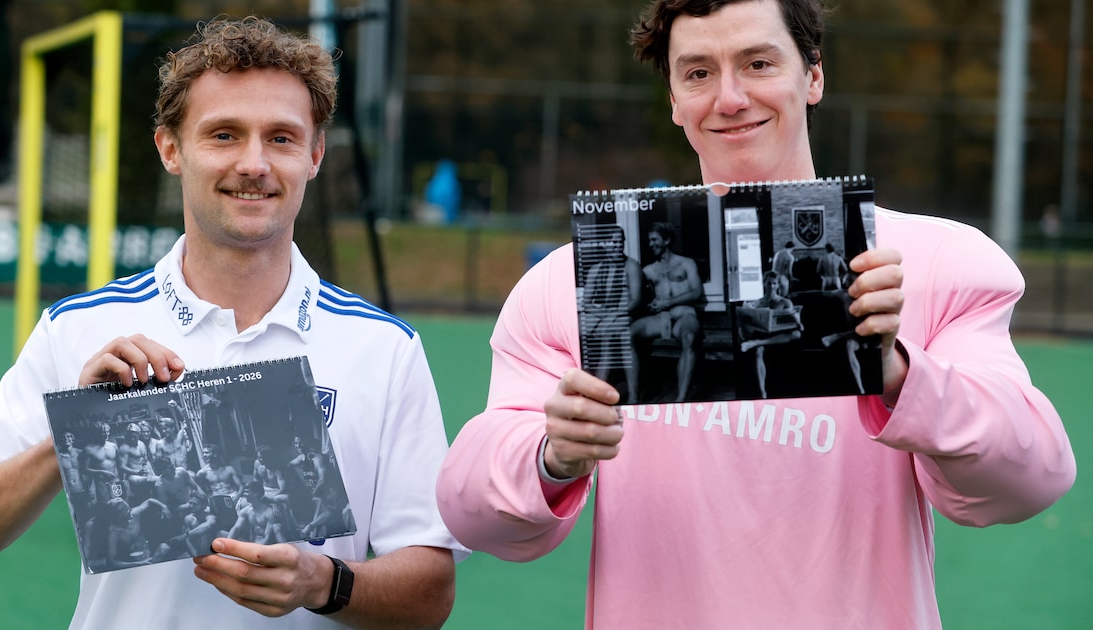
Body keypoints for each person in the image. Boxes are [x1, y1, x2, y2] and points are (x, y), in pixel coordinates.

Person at [435, 1, 1075, 628]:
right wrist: (549, 458)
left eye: (759, 62)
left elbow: (1031, 477)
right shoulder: (575, 282)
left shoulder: (937, 262)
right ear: (674, 101)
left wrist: (901, 372)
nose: (730, 97)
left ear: (813, 76)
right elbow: (469, 510)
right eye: (698, 73)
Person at [0, 16, 465, 628]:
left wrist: (324, 582)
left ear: (315, 155)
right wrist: (71, 435)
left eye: (281, 138)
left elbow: (430, 592)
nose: (254, 163)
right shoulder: (77, 327)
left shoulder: (384, 350)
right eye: (225, 135)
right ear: (170, 149)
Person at [630, 221, 704, 401]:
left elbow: (696, 292)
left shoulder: (687, 263)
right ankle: (633, 397)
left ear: (667, 240)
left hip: (685, 315)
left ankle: (680, 399)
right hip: (661, 319)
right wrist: (649, 305)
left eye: (654, 239)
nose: (650, 244)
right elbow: (637, 295)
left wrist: (668, 302)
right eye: (649, 240)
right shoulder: (648, 270)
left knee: (689, 339)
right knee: (626, 335)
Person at [579, 225, 643, 403]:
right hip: (605, 313)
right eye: (613, 242)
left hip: (625, 313)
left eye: (620, 242)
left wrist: (613, 315)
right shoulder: (596, 269)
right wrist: (604, 315)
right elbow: (586, 302)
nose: (617, 246)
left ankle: (632, 395)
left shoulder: (631, 266)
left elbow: (636, 300)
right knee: (575, 332)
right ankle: (589, 388)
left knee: (613, 337)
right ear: (604, 244)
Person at [738, 269, 803, 398]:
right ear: (764, 284)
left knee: (797, 334)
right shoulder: (757, 303)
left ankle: (756, 343)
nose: (772, 287)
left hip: (780, 336)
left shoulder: (785, 302)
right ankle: (763, 393)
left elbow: (800, 328)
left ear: (778, 285)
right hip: (763, 334)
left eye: (774, 283)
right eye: (769, 284)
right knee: (758, 351)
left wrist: (797, 319)